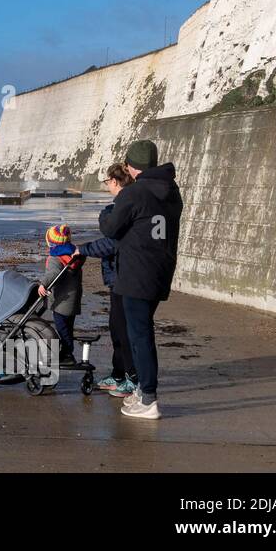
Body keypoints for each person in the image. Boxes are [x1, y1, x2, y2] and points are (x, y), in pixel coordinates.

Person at [97, 139, 183, 420]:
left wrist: (106, 212)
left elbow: (111, 228)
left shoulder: (133, 193)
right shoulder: (172, 192)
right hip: (161, 272)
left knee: (140, 336)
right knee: (141, 332)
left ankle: (148, 398)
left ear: (132, 168)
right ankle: (142, 393)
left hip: (135, 274)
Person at [76, 164, 137, 396]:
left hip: (125, 276)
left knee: (124, 329)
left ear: (113, 181)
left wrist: (82, 249)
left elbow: (113, 243)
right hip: (120, 277)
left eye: (107, 183)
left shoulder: (122, 207)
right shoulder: (123, 205)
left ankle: (131, 379)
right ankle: (119, 374)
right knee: (117, 328)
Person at [38, 224, 82, 366]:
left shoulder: (55, 258)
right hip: (73, 300)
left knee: (62, 329)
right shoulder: (74, 256)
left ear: (51, 242)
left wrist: (43, 283)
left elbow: (53, 273)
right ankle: (66, 351)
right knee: (68, 327)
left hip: (61, 302)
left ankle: (67, 354)